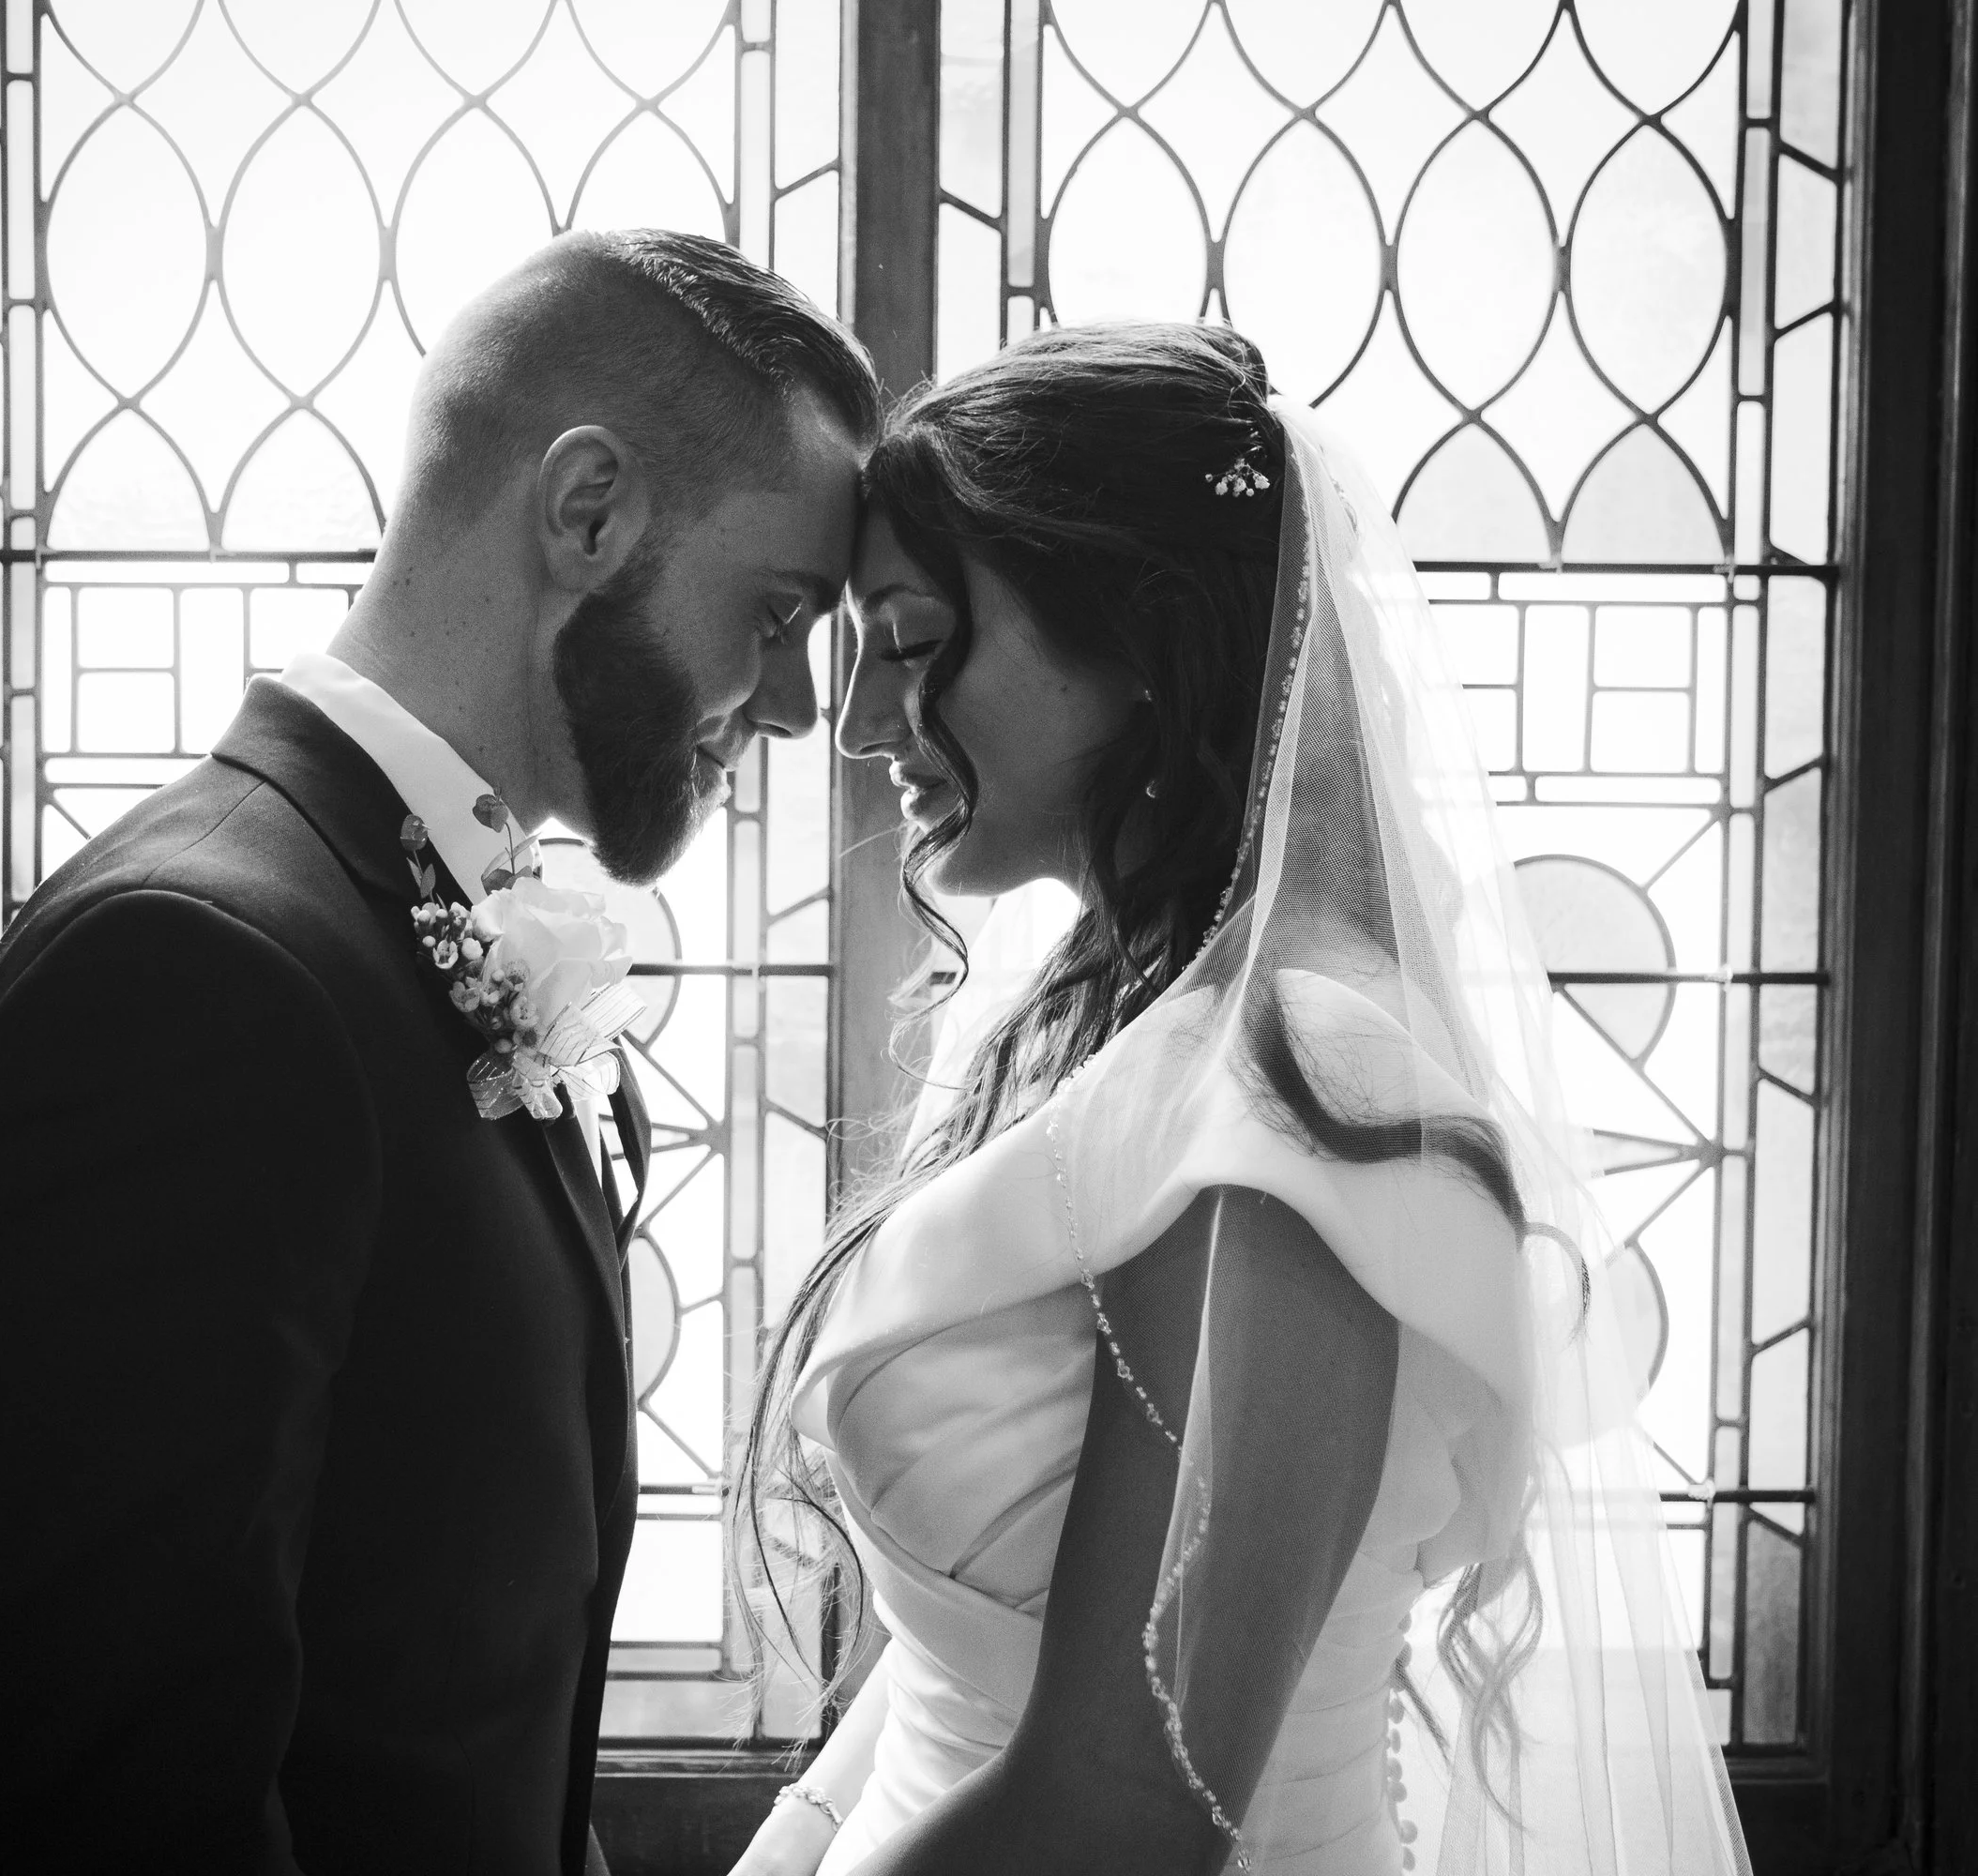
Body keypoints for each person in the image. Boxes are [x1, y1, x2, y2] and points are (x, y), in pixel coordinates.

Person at [0, 230, 876, 1874]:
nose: (790, 703)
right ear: (587, 511)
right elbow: (100, 1792)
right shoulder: (193, 982)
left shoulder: (413, 923)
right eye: (778, 612)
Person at [732, 325, 1749, 1875]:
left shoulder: (1296, 1098)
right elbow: (964, 1663)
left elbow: (1129, 1817)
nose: (864, 723)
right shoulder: (1099, 1011)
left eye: (918, 637)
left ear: (1145, 640)